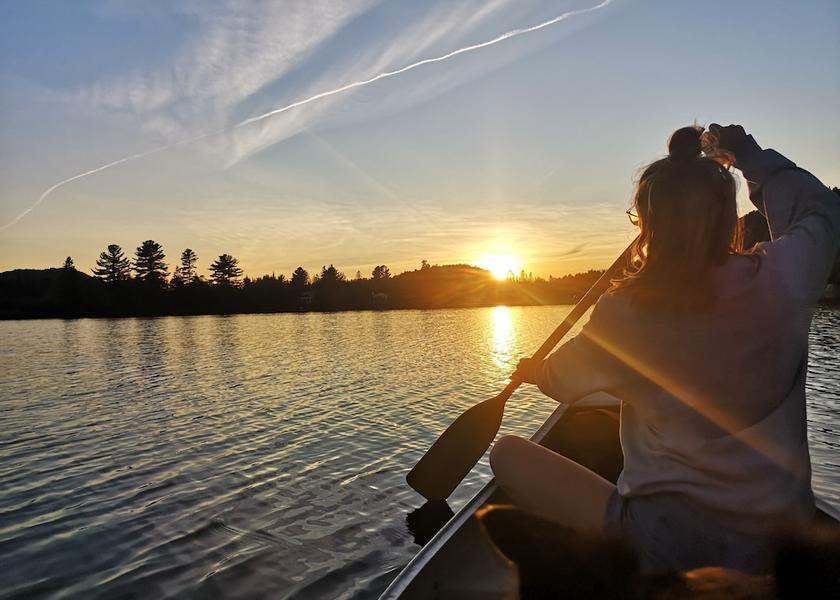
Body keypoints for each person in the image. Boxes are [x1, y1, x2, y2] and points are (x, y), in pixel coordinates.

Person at [489, 124, 840, 574]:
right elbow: (821, 210)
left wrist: (535, 369)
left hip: (663, 549)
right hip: (780, 548)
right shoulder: (784, 277)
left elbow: (561, 382)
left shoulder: (625, 313)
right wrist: (749, 157)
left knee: (506, 454)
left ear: (649, 224)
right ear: (726, 218)